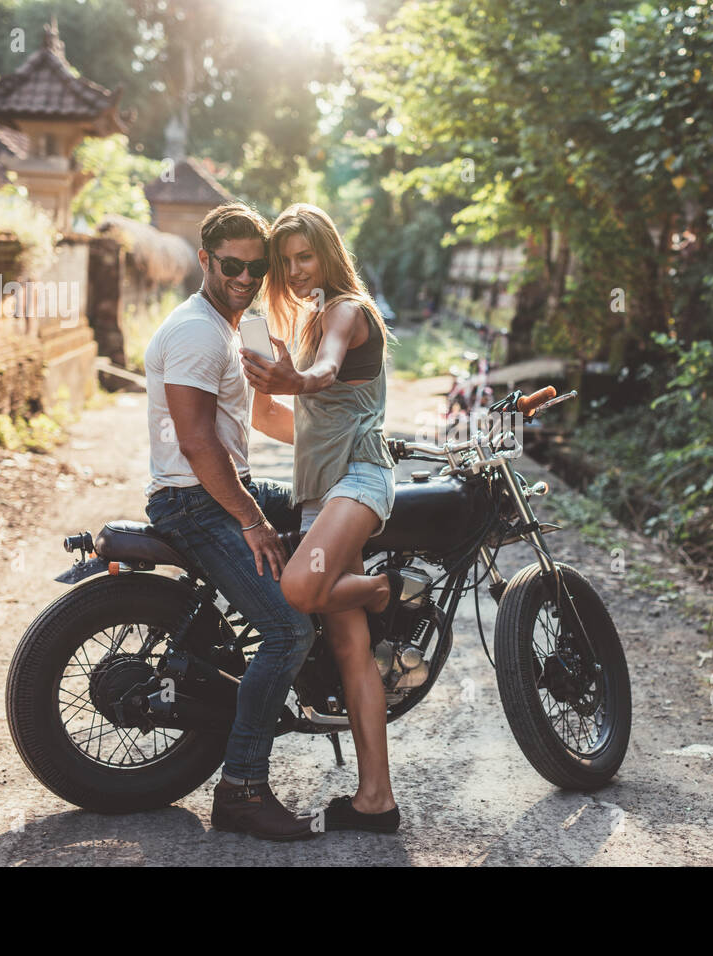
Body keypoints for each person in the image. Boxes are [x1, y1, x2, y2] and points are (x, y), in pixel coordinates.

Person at [142, 201, 316, 841]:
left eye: (257, 267)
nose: (246, 277)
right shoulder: (195, 331)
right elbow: (196, 442)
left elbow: (267, 417)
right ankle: (241, 789)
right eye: (233, 265)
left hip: (216, 491)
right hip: (197, 498)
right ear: (206, 260)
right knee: (288, 632)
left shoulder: (231, 325)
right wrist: (251, 519)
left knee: (325, 511)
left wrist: (343, 446)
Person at [238, 202, 403, 834]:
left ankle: (385, 588)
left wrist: (297, 375)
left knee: (298, 590)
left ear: (328, 253)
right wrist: (264, 379)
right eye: (286, 262)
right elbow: (284, 422)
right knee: (351, 647)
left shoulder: (344, 312)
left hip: (359, 481)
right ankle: (375, 801)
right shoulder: (307, 321)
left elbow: (327, 369)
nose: (297, 270)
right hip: (319, 495)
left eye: (304, 256)